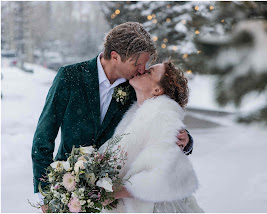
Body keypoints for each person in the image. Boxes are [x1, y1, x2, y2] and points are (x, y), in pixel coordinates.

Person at [31, 22, 193, 212]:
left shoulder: (134, 87)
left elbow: (156, 116)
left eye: (144, 64)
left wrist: (186, 139)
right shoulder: (69, 77)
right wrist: (47, 193)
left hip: (109, 199)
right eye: (137, 63)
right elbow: (43, 137)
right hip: (68, 188)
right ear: (115, 56)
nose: (142, 69)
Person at [99, 61, 204, 213]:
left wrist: (116, 192)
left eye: (149, 72)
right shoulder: (136, 112)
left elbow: (164, 178)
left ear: (157, 89)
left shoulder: (163, 115)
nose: (141, 71)